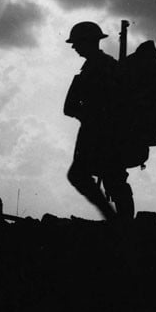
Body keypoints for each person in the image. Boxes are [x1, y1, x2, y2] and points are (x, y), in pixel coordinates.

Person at [63, 21, 134, 220]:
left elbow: (110, 102)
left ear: (88, 42)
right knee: (113, 178)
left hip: (101, 133)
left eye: (77, 42)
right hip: (101, 131)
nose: (74, 47)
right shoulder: (101, 66)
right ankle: (120, 222)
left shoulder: (100, 67)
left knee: (100, 177)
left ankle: (116, 221)